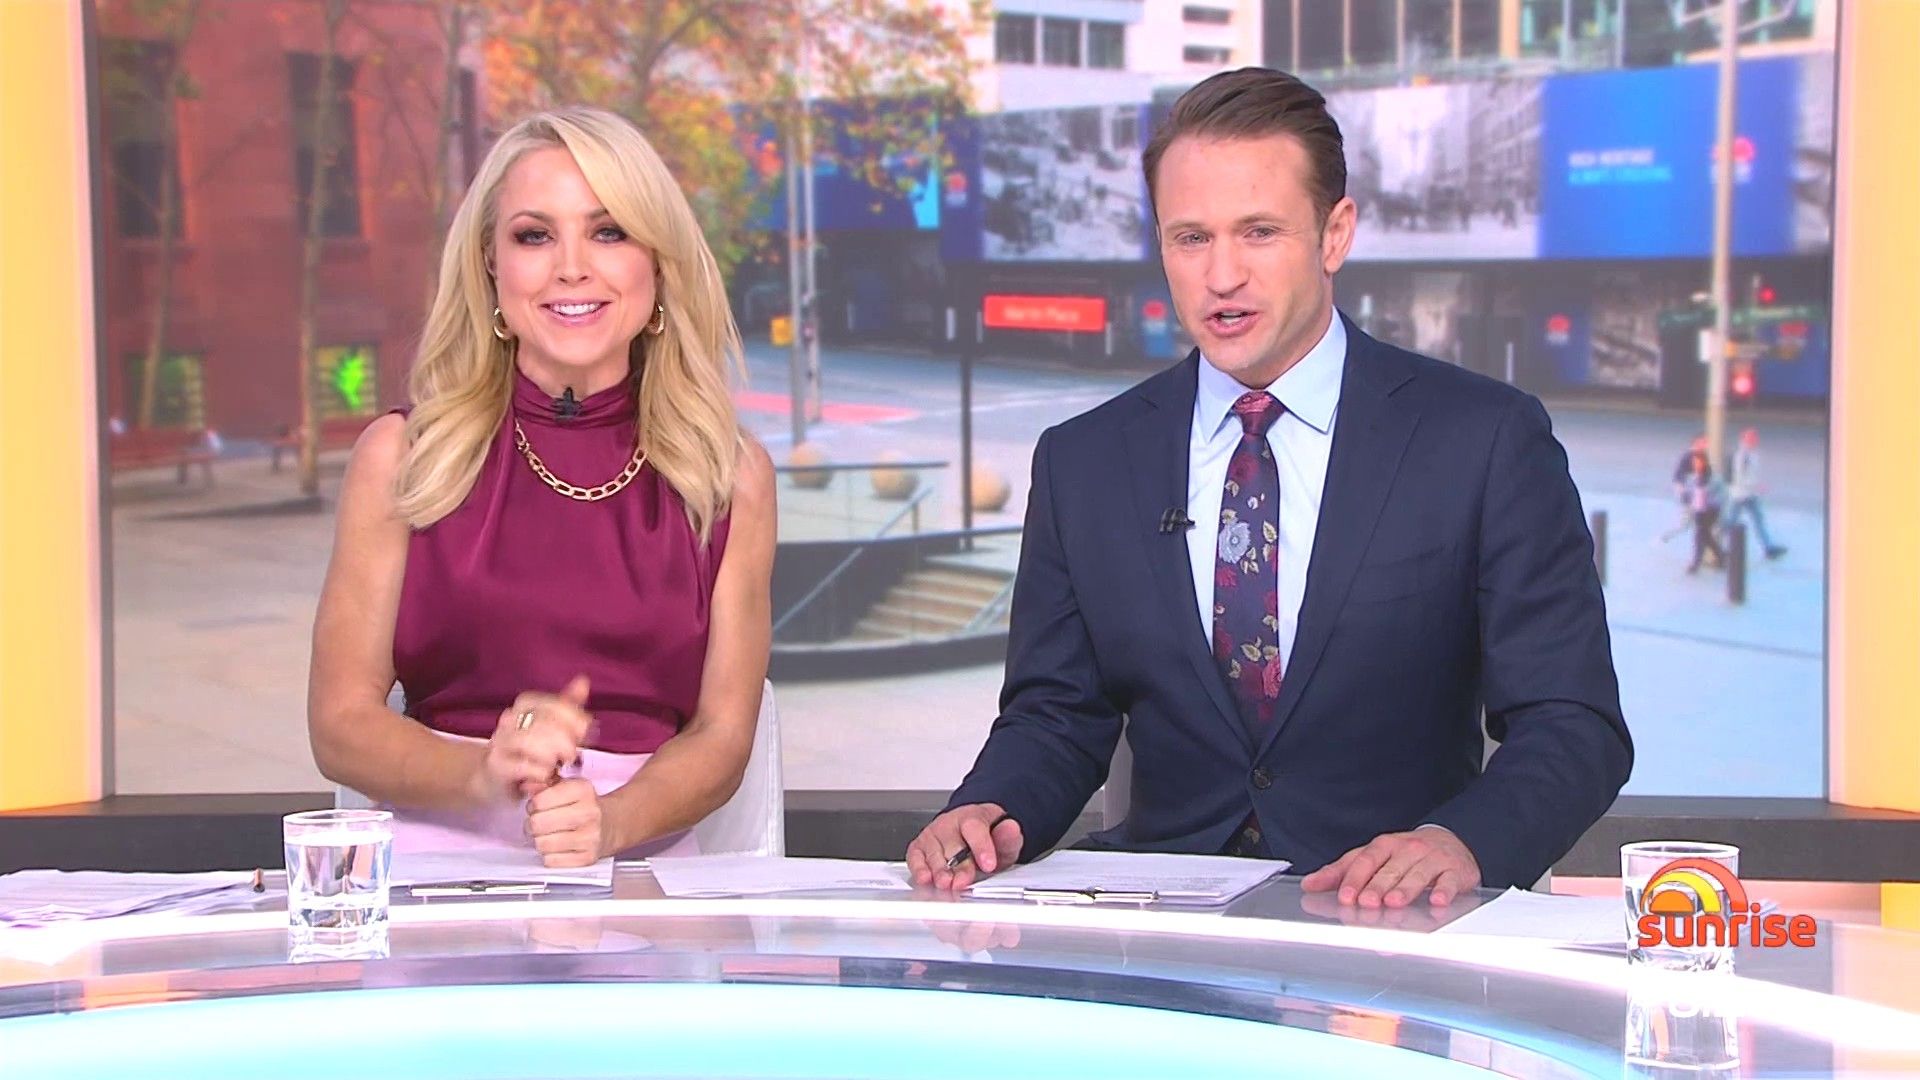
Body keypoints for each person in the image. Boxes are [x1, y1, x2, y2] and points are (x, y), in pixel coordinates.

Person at [906, 68, 1630, 907]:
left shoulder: (1482, 439)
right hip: (1162, 925)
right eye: (1191, 238)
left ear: (1334, 234)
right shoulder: (1084, 462)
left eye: (1258, 232)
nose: (1222, 276)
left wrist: (1460, 843)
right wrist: (992, 810)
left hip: (1389, 923)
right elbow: (1056, 718)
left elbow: (1572, 724)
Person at [307, 107, 775, 868]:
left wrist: (612, 823)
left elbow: (723, 737)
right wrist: (481, 775)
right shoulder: (401, 457)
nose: (571, 267)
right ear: (491, 267)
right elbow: (339, 725)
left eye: (609, 231)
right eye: (534, 236)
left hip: (639, 865)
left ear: (658, 265)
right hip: (438, 866)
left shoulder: (731, 475)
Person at [1721, 427, 1787, 560]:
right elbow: (1739, 477)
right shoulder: (1742, 455)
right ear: (1744, 439)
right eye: (1752, 438)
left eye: (1755, 437)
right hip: (1739, 495)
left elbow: (1751, 474)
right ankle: (1719, 546)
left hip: (1750, 494)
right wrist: (1757, 486)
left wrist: (1755, 487)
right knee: (1731, 522)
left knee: (1758, 520)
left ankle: (1768, 548)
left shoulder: (1753, 454)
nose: (1756, 440)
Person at [1673, 437, 1726, 573]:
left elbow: (1718, 493)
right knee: (1704, 535)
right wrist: (1686, 497)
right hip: (1700, 510)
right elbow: (1689, 492)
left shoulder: (1712, 478)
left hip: (1710, 510)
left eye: (1698, 462)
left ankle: (1696, 563)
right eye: (1695, 463)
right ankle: (1719, 556)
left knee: (1701, 535)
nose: (1696, 465)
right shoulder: (1695, 476)